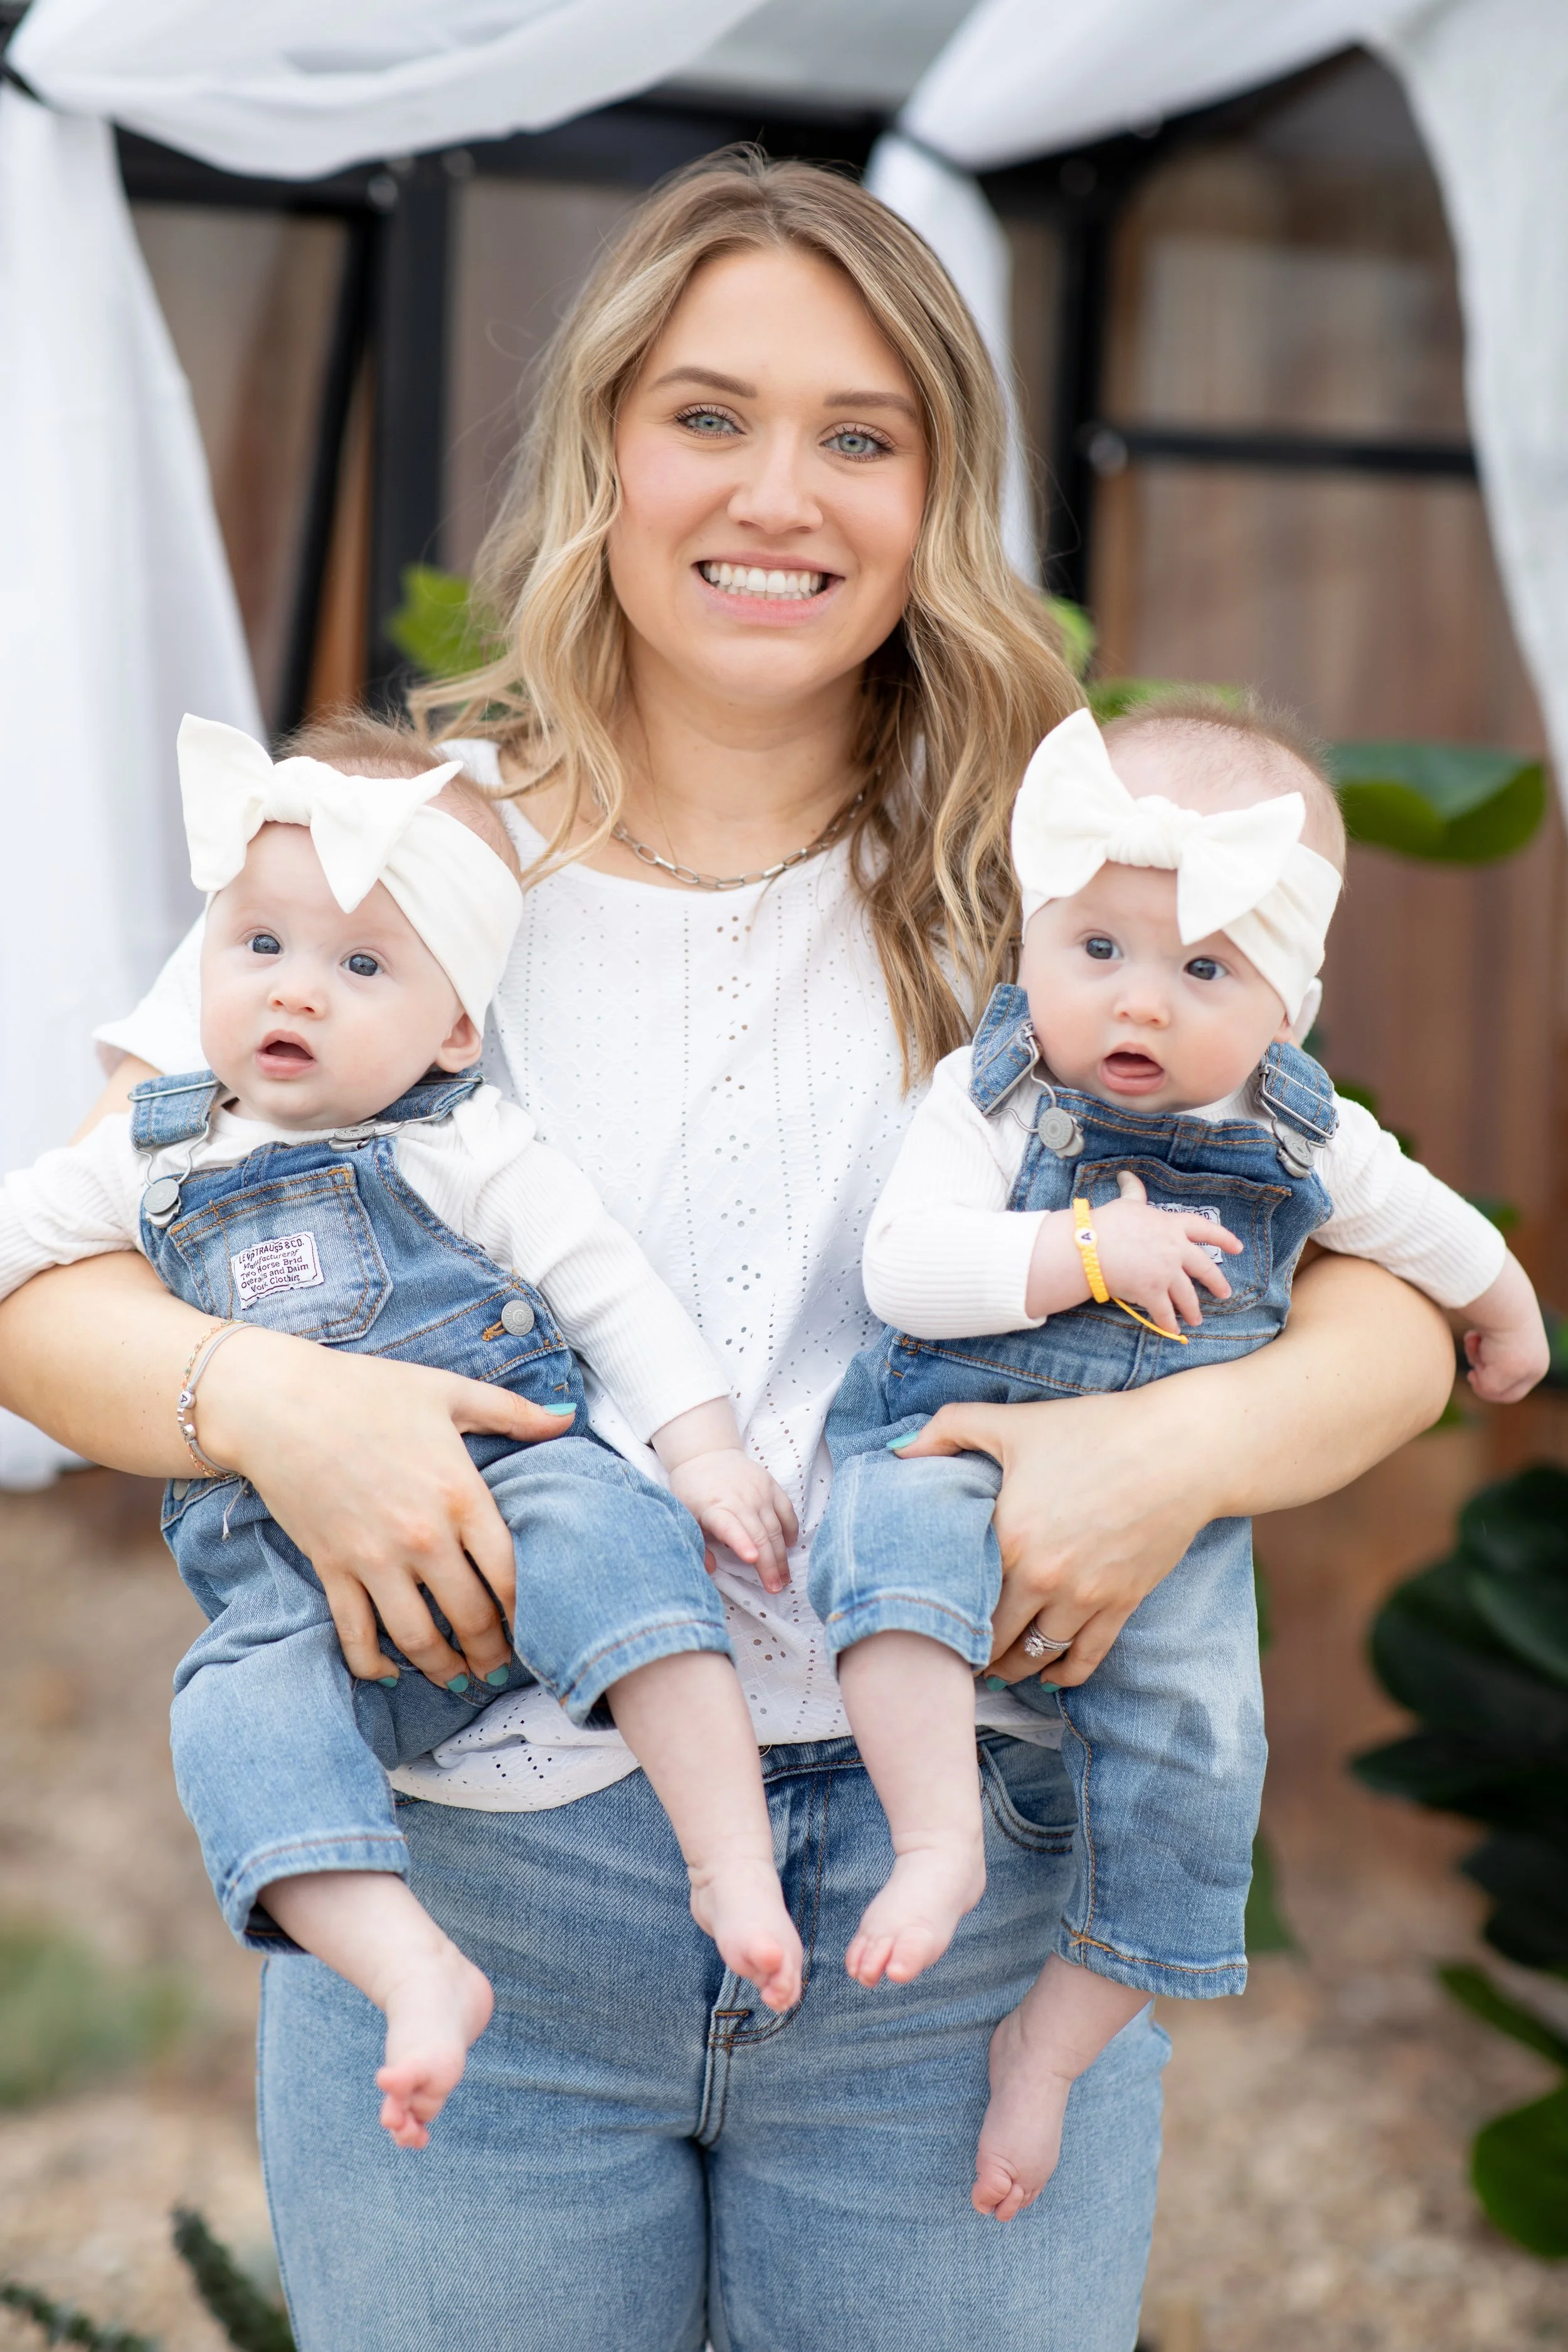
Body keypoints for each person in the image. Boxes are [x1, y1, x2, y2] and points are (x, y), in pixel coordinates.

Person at [0, 153, 1456, 2351]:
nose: (780, 492)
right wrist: (276, 1403)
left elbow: (1396, 1307)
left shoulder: (1059, 886)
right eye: (708, 415)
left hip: (959, 1896)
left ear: (935, 491)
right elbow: (53, 1287)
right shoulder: (402, 852)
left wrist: (1174, 1461)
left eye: (860, 436)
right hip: (493, 1876)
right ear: (603, 446)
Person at [0, 706, 808, 2146]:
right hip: (311, 1607)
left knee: (623, 1540)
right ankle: (409, 1966)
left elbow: (609, 1292)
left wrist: (701, 1454)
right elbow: (22, 1259)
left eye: (359, 966)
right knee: (231, 1714)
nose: (294, 994)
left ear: (450, 1024)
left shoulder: (468, 1139)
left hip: (519, 1497)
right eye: (259, 949)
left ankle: (729, 1858)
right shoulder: (155, 1148)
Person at [810, 694, 1547, 2220]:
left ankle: (1060, 2037)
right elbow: (901, 1272)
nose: (1135, 1008)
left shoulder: (1305, 1130)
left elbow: (1426, 1229)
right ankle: (938, 1836)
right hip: (949, 1437)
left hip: (1169, 1536)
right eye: (1096, 953)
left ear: (1287, 995)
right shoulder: (991, 1092)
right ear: (1032, 944)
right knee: (887, 1575)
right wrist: (1080, 1247)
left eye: (1200, 969)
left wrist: (1504, 1313)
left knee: (1200, 1762)